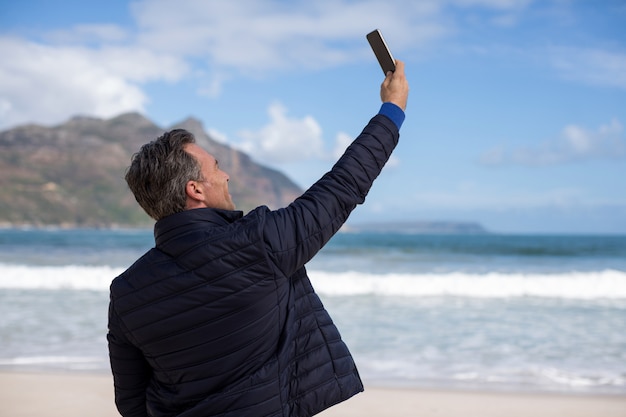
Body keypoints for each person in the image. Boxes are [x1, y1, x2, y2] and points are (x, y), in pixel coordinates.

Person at [108, 61, 409, 417]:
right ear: (196, 190)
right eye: (217, 168)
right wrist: (392, 111)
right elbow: (342, 187)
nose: (226, 176)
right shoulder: (257, 244)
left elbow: (131, 403)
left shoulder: (126, 292)